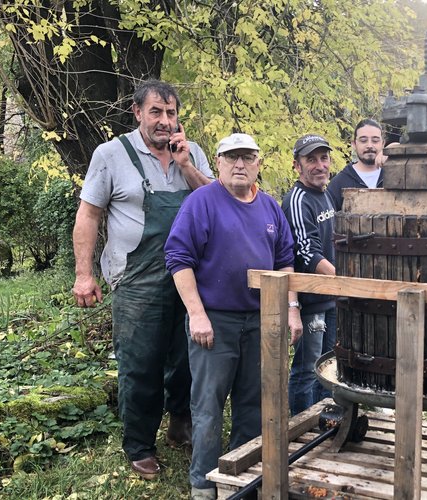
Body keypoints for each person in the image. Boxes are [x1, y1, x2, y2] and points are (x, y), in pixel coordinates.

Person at [72, 79, 213, 480]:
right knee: (141, 363)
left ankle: (180, 422)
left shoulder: (193, 152)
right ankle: (139, 444)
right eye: (156, 112)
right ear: (137, 113)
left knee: (188, 355)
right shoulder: (111, 155)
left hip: (189, 276)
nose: (165, 122)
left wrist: (187, 165)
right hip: (137, 279)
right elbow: (89, 216)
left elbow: (215, 201)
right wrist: (84, 275)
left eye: (171, 113)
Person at [165, 133, 301, 499]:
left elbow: (285, 261)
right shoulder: (201, 202)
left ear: (259, 163)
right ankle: (203, 486)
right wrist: (197, 314)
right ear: (218, 161)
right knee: (208, 405)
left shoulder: (271, 207)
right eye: (231, 158)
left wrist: (291, 309)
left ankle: (242, 478)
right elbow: (178, 259)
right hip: (215, 321)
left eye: (247, 157)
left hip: (261, 320)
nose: (240, 165)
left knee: (254, 402)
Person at [282, 134, 337, 415]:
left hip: (331, 299)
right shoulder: (298, 198)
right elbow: (307, 251)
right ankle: (299, 430)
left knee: (329, 367)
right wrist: (342, 279)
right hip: (309, 301)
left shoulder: (324, 193)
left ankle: (323, 423)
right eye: (311, 159)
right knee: (307, 369)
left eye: (323, 158)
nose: (319, 165)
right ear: (297, 166)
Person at [326, 118, 390, 211]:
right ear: (354, 144)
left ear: (383, 143)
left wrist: (393, 147)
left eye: (375, 140)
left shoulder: (394, 176)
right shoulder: (338, 184)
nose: (369, 145)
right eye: (363, 140)